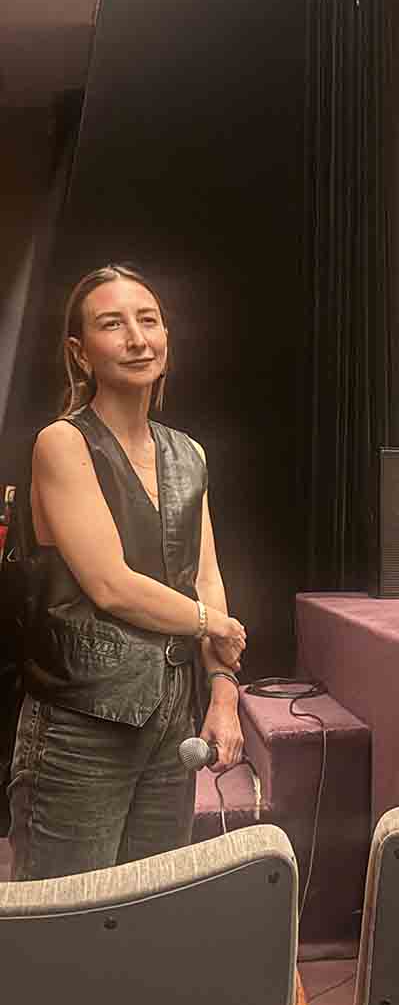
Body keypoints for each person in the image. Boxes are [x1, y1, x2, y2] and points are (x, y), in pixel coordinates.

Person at [8, 264, 246, 881]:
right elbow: (110, 584)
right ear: (79, 352)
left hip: (171, 720)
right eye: (112, 325)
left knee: (151, 906)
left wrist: (223, 692)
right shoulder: (63, 442)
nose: (138, 339)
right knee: (68, 914)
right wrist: (210, 623)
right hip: (80, 723)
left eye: (149, 320)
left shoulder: (188, 453)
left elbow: (206, 577)